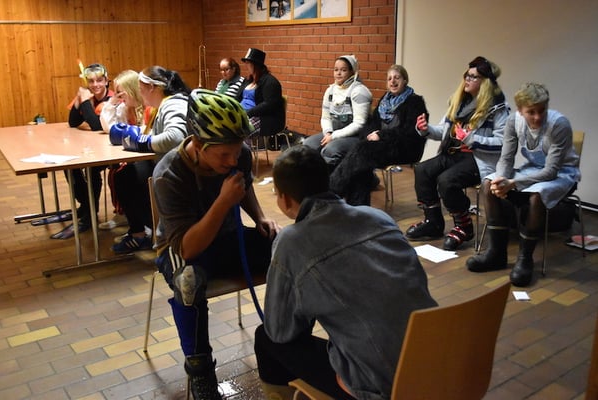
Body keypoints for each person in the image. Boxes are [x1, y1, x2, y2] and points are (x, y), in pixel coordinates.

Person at [254, 145, 438, 400]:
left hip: (383, 386)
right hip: (440, 361)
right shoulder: (378, 218)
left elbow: (280, 331)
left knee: (265, 338)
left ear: (283, 198)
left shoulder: (292, 242)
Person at [152, 89, 280, 399]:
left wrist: (260, 217)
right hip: (182, 249)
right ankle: (201, 373)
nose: (233, 160)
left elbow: (242, 186)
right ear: (197, 145)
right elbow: (187, 248)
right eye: (224, 155)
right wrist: (223, 202)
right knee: (189, 281)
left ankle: (286, 342)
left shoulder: (238, 154)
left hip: (227, 239)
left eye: (237, 152)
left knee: (288, 248)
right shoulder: (169, 174)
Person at [466, 82, 581, 287]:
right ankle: (496, 253)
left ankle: (525, 259)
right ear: (520, 110)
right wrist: (501, 180)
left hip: (562, 174)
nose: (537, 117)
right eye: (531, 112)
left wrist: (513, 183)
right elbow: (506, 158)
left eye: (541, 111)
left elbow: (551, 171)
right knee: (488, 184)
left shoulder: (559, 124)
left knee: (537, 196)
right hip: (533, 170)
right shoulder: (513, 121)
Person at [405, 56, 509, 251]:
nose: (467, 79)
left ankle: (464, 227)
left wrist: (471, 139)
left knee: (446, 180)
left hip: (477, 160)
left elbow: (502, 143)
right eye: (467, 75)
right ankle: (433, 222)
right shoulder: (459, 102)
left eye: (473, 76)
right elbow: (443, 132)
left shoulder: (498, 108)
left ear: (485, 82)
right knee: (422, 170)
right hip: (453, 154)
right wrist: (426, 129)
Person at [108, 66, 191, 253]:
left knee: (126, 175)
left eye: (140, 88)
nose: (139, 93)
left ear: (152, 87)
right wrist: (138, 135)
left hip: (178, 171)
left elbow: (175, 137)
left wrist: (141, 142)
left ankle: (142, 232)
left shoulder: (173, 103)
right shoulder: (164, 105)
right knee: (124, 172)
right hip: (168, 164)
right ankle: (143, 229)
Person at [330, 64, 428, 206]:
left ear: (405, 81)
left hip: (405, 148)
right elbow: (372, 123)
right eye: (389, 79)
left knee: (362, 151)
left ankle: (334, 190)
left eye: (397, 78)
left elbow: (410, 131)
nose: (393, 81)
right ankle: (358, 207)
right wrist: (369, 135)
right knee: (362, 161)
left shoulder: (415, 102)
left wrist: (381, 135)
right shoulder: (385, 100)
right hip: (382, 146)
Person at [54, 63, 114, 239]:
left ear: (106, 81)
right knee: (69, 166)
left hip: (112, 150)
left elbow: (95, 125)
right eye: (91, 81)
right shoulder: (87, 96)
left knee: (91, 169)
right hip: (93, 147)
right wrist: (79, 101)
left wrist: (86, 103)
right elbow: (73, 122)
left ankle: (90, 214)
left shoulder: (111, 99)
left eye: (99, 80)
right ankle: (85, 206)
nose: (95, 85)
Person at [303, 55, 372, 169]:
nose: (338, 73)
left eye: (343, 70)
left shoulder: (359, 91)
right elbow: (325, 117)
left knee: (330, 150)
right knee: (308, 145)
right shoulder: (330, 91)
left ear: (352, 72)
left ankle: (333, 178)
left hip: (357, 137)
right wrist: (328, 133)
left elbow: (359, 124)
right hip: (333, 134)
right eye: (336, 70)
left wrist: (334, 136)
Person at [99, 69, 146, 230]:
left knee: (121, 174)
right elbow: (109, 128)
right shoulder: (123, 108)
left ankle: (137, 220)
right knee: (115, 172)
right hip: (132, 153)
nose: (118, 96)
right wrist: (111, 104)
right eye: (116, 92)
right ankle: (123, 213)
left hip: (144, 156)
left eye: (121, 92)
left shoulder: (146, 107)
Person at [236, 48, 285, 145]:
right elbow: (238, 97)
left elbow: (269, 104)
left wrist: (248, 113)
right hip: (243, 114)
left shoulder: (270, 82)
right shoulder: (248, 80)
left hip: (262, 117)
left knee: (238, 132)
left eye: (248, 63)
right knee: (226, 128)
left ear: (256, 64)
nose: (246, 65)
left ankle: (243, 152)